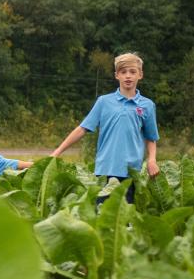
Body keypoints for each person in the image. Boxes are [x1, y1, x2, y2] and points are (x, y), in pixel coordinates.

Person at [50, 51, 159, 203]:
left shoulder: (147, 105)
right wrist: (57, 152)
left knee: (123, 221)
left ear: (140, 75)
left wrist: (152, 160)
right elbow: (82, 129)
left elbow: (151, 137)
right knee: (101, 217)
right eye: (123, 72)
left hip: (130, 173)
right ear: (117, 75)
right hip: (105, 171)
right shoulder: (104, 102)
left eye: (132, 72)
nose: (128, 76)